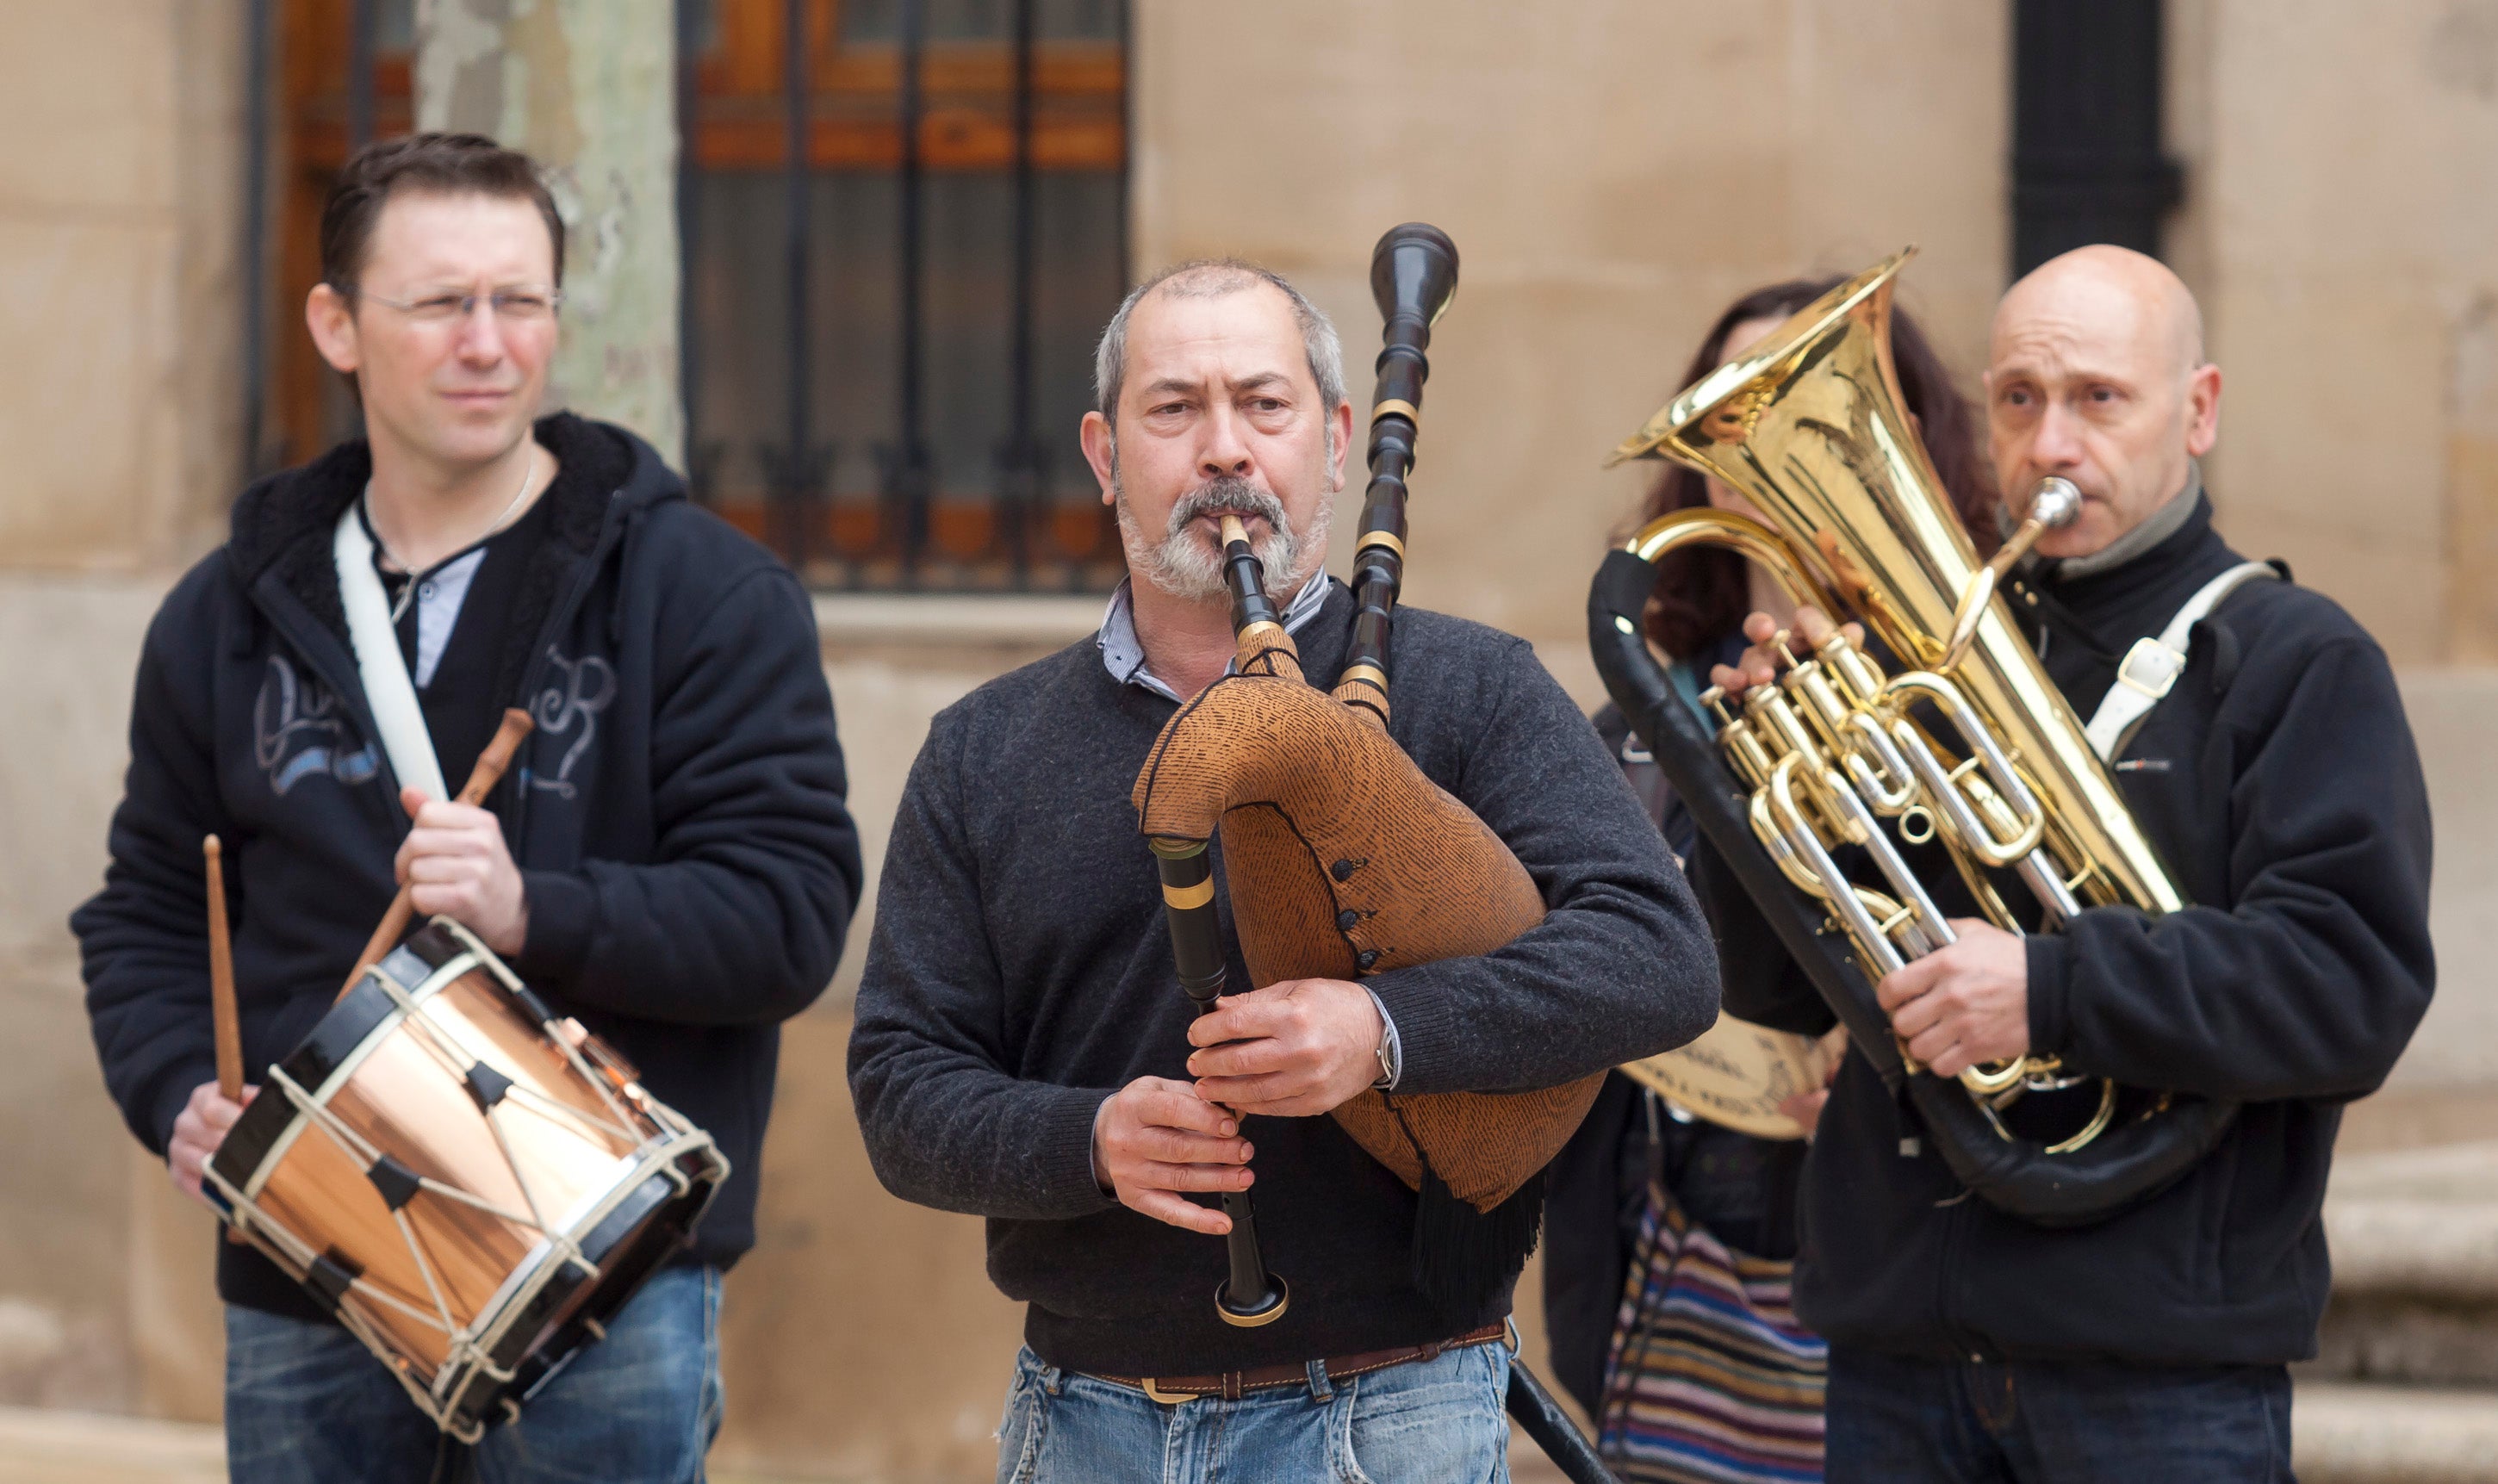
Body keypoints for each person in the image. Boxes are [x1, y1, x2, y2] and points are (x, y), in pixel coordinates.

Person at [848, 258, 1718, 1482]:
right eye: (1173, 410)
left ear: (1338, 438)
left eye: (1264, 405)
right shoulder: (986, 751)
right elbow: (899, 1089)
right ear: (1104, 454)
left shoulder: (1468, 688)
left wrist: (1384, 1028)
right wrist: (1090, 1138)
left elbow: (1661, 960)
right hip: (1083, 1414)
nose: (1223, 452)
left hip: (1393, 1408)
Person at [75, 133, 863, 1484]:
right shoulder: (225, 613)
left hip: (605, 1275)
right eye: (442, 304)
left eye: (521, 301)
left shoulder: (705, 593)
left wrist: (530, 909)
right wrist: (174, 1095)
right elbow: (145, 906)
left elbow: (789, 921)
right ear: (336, 325)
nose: (488, 344)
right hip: (303, 1261)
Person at [1702, 245, 2433, 1481]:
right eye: (2020, 402)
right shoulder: (1918, 659)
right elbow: (1775, 989)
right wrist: (1772, 791)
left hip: (2156, 1371)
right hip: (1900, 1351)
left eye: (2100, 398)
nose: (2049, 446)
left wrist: (2048, 991)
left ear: (2195, 412)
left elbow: (2346, 984)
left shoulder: (2295, 662)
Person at [1542, 278, 1997, 1481]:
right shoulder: (1626, 719)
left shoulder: (1978, 699)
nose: (1759, 455)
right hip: (1672, 1258)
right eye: (1727, 419)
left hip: (1912, 1252)